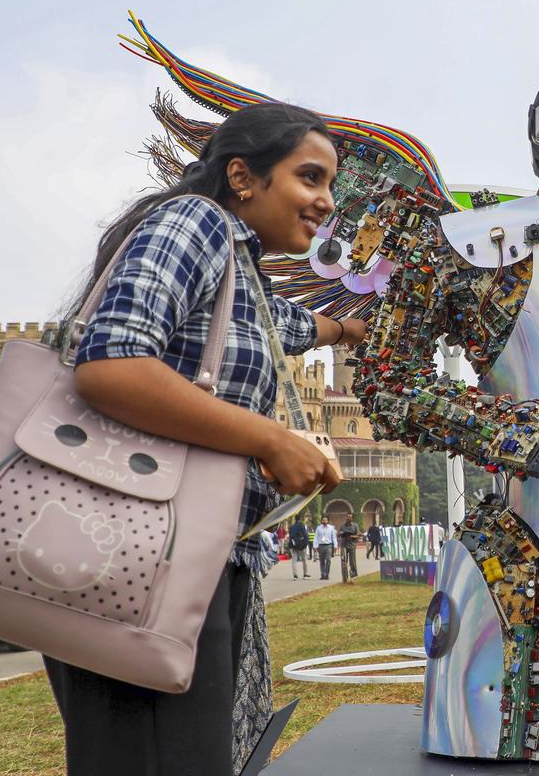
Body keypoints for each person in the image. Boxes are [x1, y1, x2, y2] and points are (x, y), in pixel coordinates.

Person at [42, 103, 362, 776]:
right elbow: (113, 363)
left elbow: (289, 326)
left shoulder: (240, 270)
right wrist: (271, 439)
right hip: (139, 560)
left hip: (192, 559)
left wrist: (350, 331)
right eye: (310, 177)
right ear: (243, 176)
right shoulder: (197, 224)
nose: (325, 202)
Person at [339, 511, 362, 581]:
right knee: (343, 562)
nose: (348, 518)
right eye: (347, 517)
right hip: (344, 545)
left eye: (350, 517)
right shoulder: (342, 525)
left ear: (352, 518)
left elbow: (358, 535)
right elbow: (339, 533)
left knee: (352, 562)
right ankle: (344, 577)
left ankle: (354, 575)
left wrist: (352, 536)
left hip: (352, 545)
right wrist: (341, 534)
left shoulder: (355, 525)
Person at [315, 515, 337, 580]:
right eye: (323, 520)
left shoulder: (331, 528)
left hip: (328, 546)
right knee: (321, 561)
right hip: (321, 546)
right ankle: (322, 574)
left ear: (328, 521)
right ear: (321, 521)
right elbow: (316, 537)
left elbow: (334, 537)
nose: (324, 521)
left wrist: (335, 546)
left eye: (326, 520)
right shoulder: (318, 528)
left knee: (328, 560)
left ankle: (327, 574)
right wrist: (315, 546)